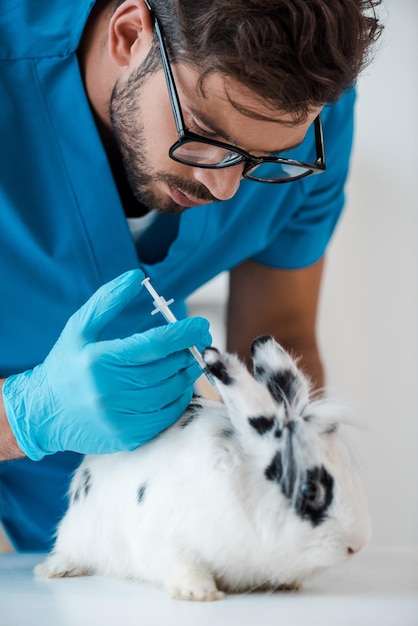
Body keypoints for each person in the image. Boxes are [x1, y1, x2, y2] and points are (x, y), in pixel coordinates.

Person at [0, 0, 382, 551]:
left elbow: (280, 336)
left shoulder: (307, 111)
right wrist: (23, 418)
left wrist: (284, 495)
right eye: (205, 135)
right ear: (130, 35)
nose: (225, 189)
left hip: (111, 487)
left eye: (261, 160)